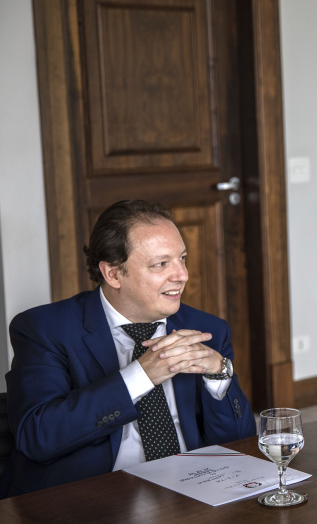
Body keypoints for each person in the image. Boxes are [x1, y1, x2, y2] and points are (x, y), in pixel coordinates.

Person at [1, 200, 256, 498]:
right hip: (88, 497)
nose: (182, 275)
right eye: (161, 264)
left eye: (182, 258)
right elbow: (38, 437)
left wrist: (219, 374)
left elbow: (239, 445)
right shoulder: (43, 329)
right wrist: (140, 375)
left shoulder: (205, 329)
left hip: (190, 493)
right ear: (112, 274)